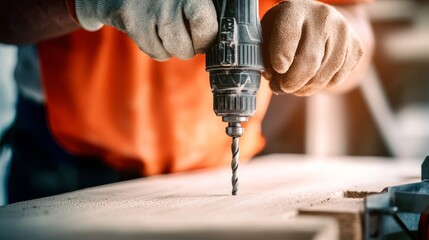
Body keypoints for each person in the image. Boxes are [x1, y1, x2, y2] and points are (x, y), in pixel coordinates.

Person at [0, 0, 373, 203]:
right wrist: (88, 3)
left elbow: (357, 23)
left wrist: (336, 40)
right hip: (67, 158)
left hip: (215, 163)